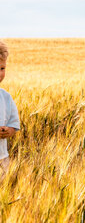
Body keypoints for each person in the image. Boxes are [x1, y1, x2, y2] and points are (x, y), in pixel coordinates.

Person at [0, 40, 20, 178]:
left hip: (2, 158)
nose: (0, 73)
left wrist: (9, 131)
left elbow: (14, 124)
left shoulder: (6, 98)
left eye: (2, 68)